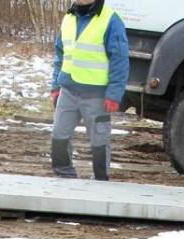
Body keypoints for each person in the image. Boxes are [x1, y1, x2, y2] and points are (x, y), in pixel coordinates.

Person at [50, 0, 129, 181]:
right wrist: (55, 86)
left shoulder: (111, 20)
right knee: (59, 135)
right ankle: (65, 175)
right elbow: (60, 54)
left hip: (96, 94)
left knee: (99, 141)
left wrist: (114, 94)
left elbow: (120, 58)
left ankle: (100, 179)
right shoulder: (68, 18)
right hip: (68, 90)